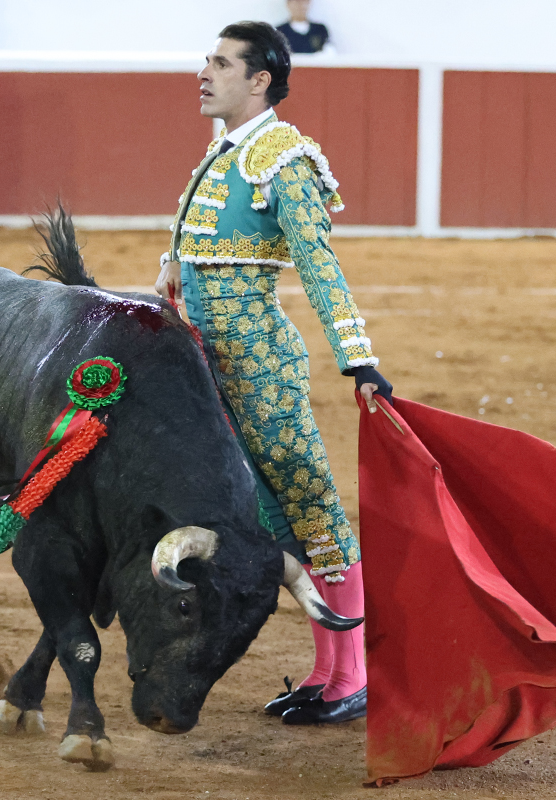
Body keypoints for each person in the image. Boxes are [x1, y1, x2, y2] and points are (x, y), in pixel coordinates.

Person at [155, 21, 390, 725]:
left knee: (310, 507)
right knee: (265, 515)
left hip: (259, 362)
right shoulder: (225, 153)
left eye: (222, 63)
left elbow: (319, 263)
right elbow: (189, 252)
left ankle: (354, 674)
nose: (205, 72)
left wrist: (358, 355)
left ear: (260, 80)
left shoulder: (281, 155)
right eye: (207, 60)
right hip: (211, 366)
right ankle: (326, 669)